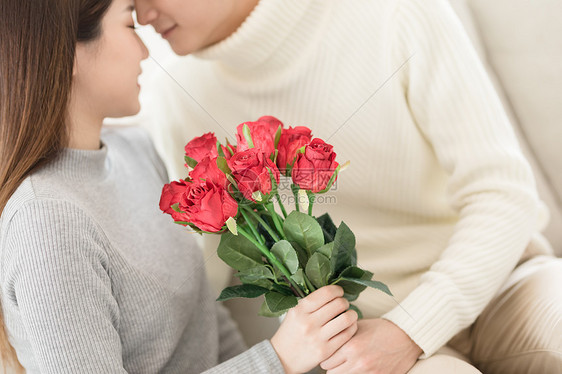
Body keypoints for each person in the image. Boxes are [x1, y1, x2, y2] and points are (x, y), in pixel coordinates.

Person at [133, 0, 562, 373]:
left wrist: (411, 327)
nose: (143, 13)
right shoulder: (175, 95)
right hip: (364, 344)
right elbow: (197, 283)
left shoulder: (394, 13)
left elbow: (504, 194)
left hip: (505, 288)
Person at [0, 0, 359, 373]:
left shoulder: (136, 152)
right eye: (130, 27)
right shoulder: (46, 221)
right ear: (67, 54)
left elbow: (206, 327)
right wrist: (277, 359)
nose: (143, 51)